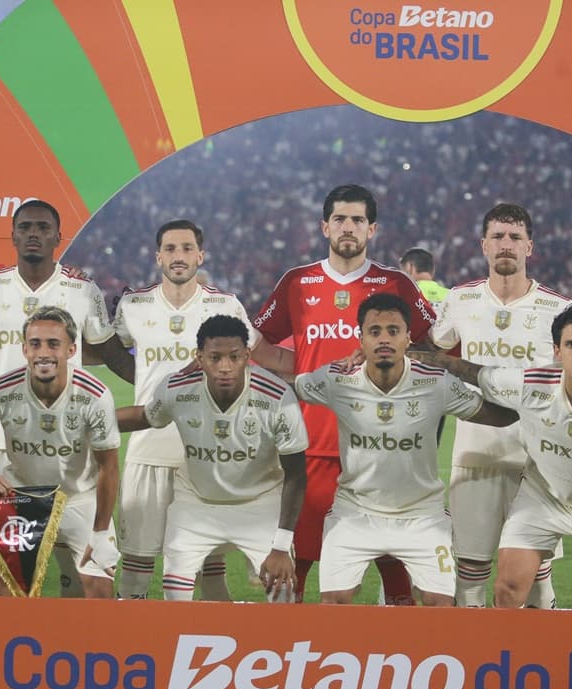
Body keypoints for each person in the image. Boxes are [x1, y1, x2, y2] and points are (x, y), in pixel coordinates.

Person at [250, 184, 437, 603]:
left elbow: (434, 347)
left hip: (384, 449)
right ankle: (283, 656)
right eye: (340, 219)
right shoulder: (298, 282)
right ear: (324, 226)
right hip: (312, 448)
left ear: (372, 229)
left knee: (395, 567)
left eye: (357, 220)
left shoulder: (395, 285)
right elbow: (262, 347)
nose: (347, 227)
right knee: (293, 565)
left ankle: (398, 662)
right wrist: (298, 371)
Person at [411, 306, 572, 611]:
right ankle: (512, 656)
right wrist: (411, 355)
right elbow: (472, 372)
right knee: (507, 590)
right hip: (542, 497)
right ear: (558, 351)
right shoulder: (530, 384)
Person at [294, 294, 516, 605]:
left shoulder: (436, 383)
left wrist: (531, 400)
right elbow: (291, 389)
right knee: (334, 602)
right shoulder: (337, 379)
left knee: (440, 604)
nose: (384, 339)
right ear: (360, 339)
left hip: (422, 516)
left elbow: (500, 415)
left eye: (393, 331)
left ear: (408, 338)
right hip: (354, 513)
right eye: (374, 332)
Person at [0, 199, 130, 597]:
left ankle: (71, 648)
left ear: (58, 236)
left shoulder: (81, 289)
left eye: (42, 227)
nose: (33, 233)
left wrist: (159, 385)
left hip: (71, 442)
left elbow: (109, 353)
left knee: (74, 573)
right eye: (25, 227)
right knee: (4, 575)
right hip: (3, 445)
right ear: (13, 234)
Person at [428, 202, 572, 608]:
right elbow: (431, 350)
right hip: (475, 456)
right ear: (483, 246)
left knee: (536, 579)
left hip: (537, 462)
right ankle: (472, 663)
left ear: (530, 247)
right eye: (498, 237)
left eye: (515, 238)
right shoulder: (461, 299)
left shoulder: (559, 309)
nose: (506, 245)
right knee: (470, 577)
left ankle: (537, 663)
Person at [110, 219, 257, 600]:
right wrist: (148, 385)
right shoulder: (134, 305)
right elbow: (109, 349)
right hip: (147, 451)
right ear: (158, 255)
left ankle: (209, 651)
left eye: (187, 248)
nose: (179, 256)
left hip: (205, 454)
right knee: (137, 568)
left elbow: (249, 363)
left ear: (200, 255)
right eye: (171, 249)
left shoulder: (224, 306)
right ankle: (137, 648)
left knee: (209, 568)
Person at [117, 314, 307, 602]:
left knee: (284, 596)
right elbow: (145, 416)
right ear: (200, 358)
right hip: (196, 505)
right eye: (215, 358)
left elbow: (296, 474)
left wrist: (281, 545)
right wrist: (87, 420)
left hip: (260, 505)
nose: (225, 367)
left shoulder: (277, 396)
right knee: (176, 598)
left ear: (247, 356)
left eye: (234, 357)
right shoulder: (176, 389)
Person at [0, 306, 121, 599]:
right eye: (35, 344)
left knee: (100, 593)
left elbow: (109, 468)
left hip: (80, 498)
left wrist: (100, 532)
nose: (43, 352)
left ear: (72, 349)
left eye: (54, 344)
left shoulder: (95, 395)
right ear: (24, 349)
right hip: (23, 496)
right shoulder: (1, 390)